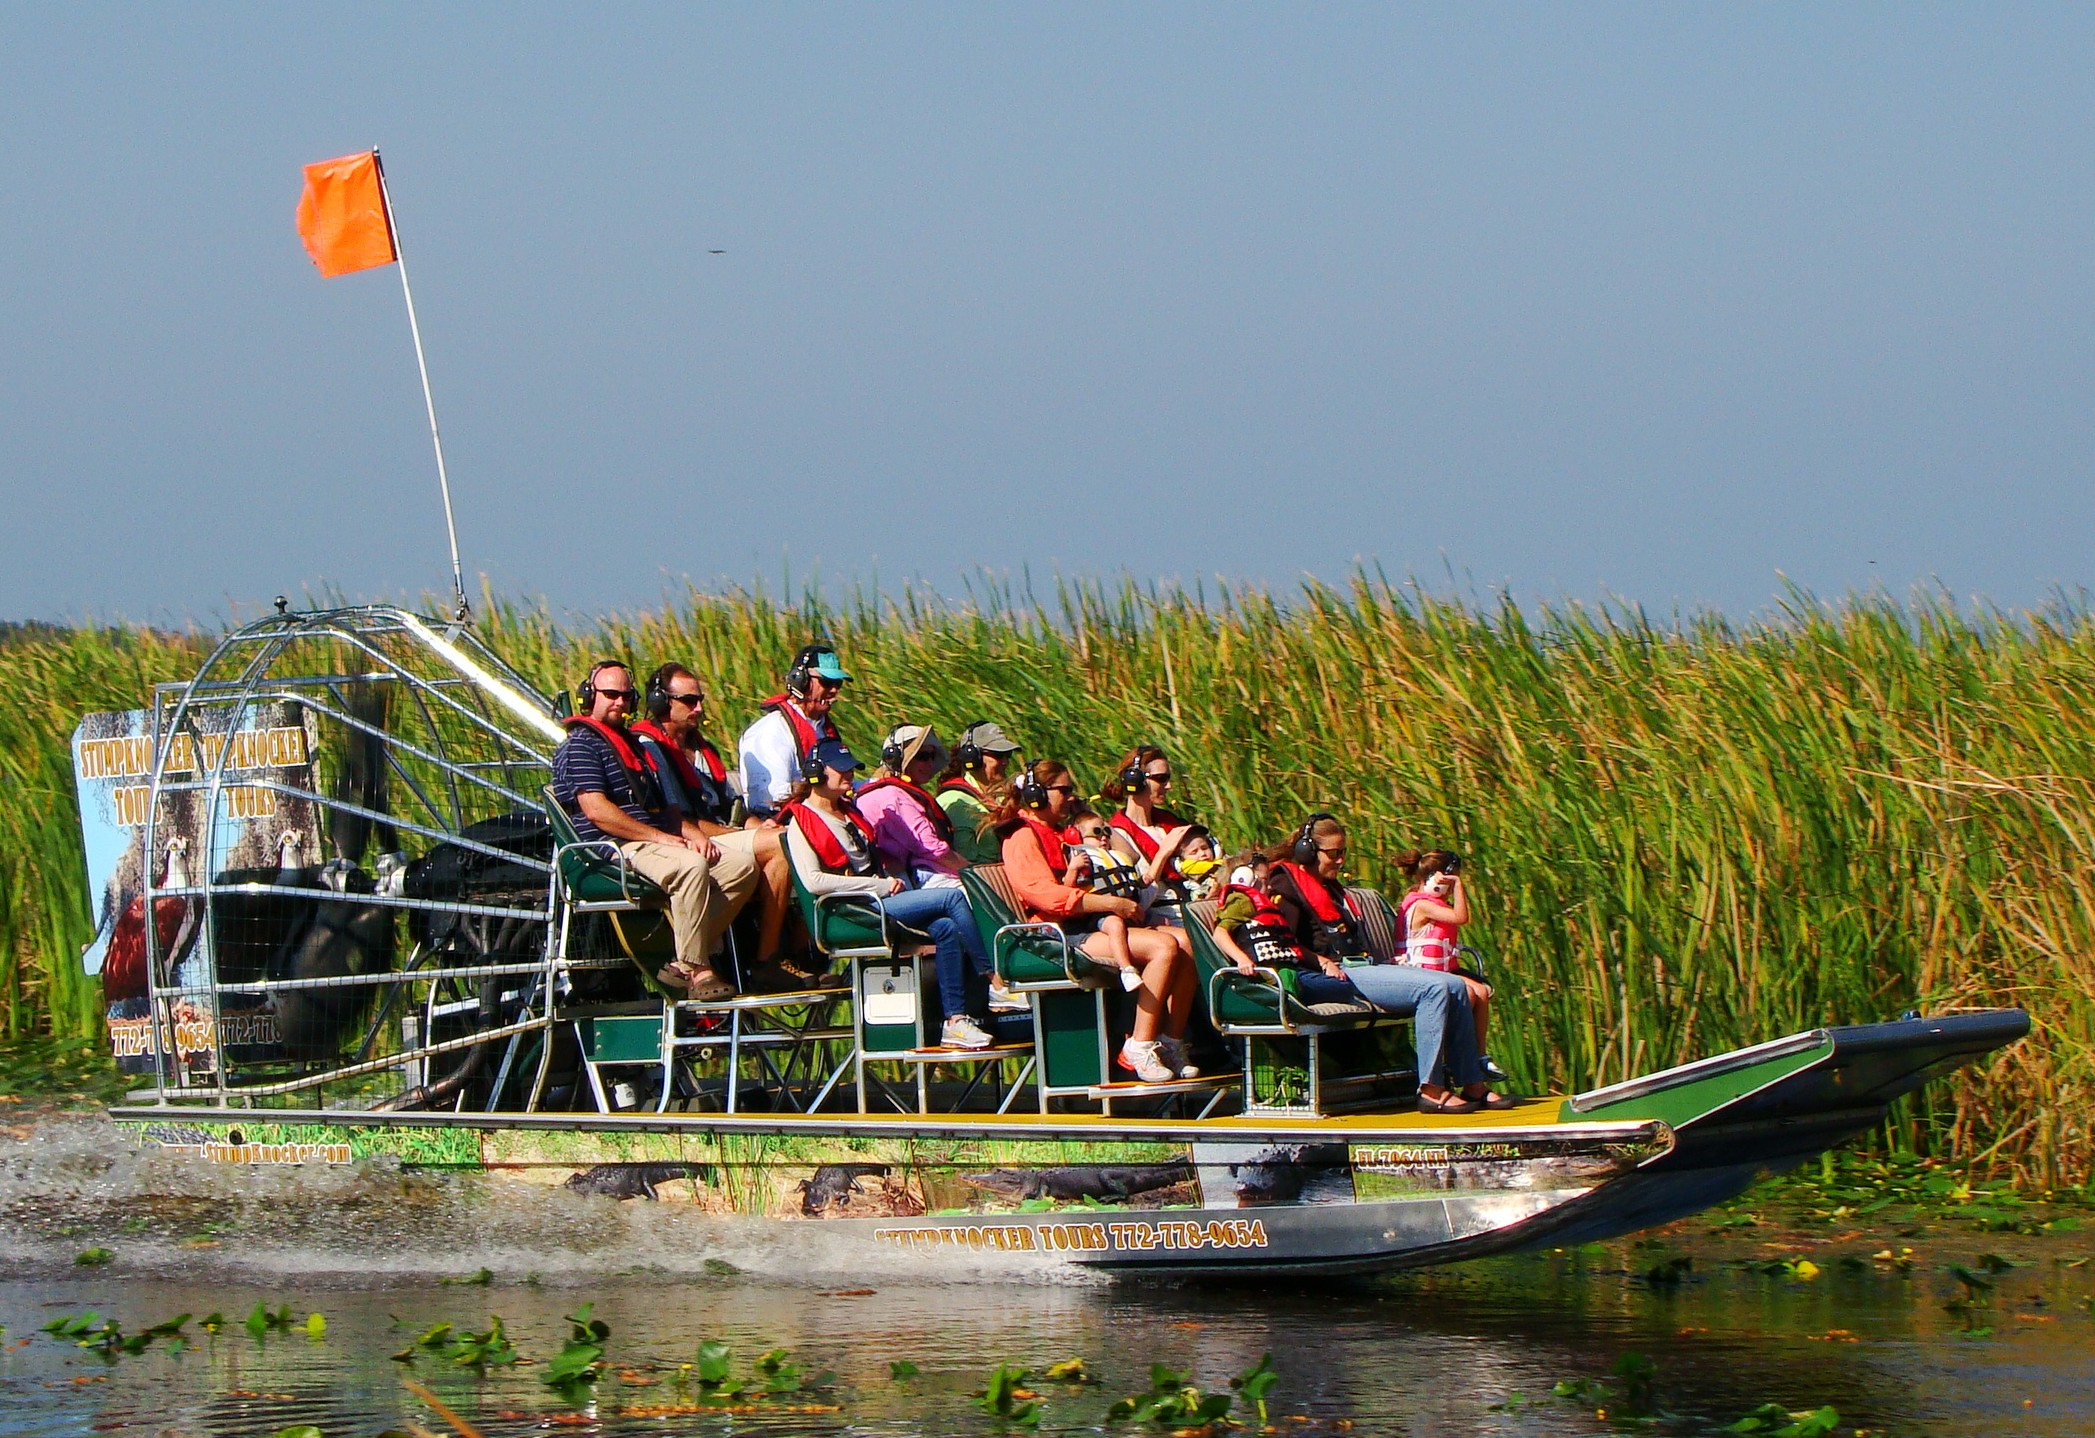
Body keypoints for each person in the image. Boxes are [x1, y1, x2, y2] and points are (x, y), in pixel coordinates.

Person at [1262, 814, 1510, 1113]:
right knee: (1432, 989)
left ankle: (1473, 1084)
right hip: (1325, 975)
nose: (1340, 861)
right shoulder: (1286, 885)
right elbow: (1282, 942)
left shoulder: (1329, 887)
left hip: (1360, 966)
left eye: (1343, 853)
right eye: (1333, 853)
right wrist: (1323, 960)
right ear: (1307, 851)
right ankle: (1431, 1089)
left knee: (1455, 985)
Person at [552, 660, 759, 1003]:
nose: (618, 702)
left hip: (650, 840)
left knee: (741, 866)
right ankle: (697, 968)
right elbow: (598, 812)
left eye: (625, 696)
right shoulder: (581, 746)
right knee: (691, 867)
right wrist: (661, 838)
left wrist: (692, 833)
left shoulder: (634, 747)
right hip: (613, 848)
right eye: (610, 694)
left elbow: (666, 808)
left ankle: (684, 958)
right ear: (589, 697)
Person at [782, 737, 1000, 1050]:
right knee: (952, 898)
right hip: (850, 911)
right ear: (816, 773)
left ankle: (956, 1021)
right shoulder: (802, 821)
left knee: (946, 927)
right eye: (840, 770)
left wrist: (889, 869)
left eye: (851, 769)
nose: (848, 775)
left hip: (878, 901)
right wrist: (878, 885)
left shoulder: (847, 812)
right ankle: (994, 980)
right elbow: (815, 882)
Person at [995, 759, 1198, 1082]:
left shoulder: (1062, 833)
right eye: (1064, 790)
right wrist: (1110, 903)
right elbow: (1044, 895)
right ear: (1037, 795)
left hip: (1090, 921)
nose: (1072, 797)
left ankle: (1170, 1041)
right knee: (1162, 948)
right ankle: (1139, 1044)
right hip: (1059, 933)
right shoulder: (1021, 836)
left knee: (1187, 943)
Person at [631, 664, 794, 972]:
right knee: (781, 847)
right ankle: (767, 961)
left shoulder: (703, 748)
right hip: (690, 834)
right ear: (661, 701)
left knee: (791, 837)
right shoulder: (650, 747)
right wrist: (742, 834)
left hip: (718, 830)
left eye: (700, 699)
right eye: (689, 701)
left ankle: (796, 949)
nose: (699, 708)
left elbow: (733, 808)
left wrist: (761, 827)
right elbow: (681, 819)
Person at [1396, 849, 1503, 1081]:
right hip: (1422, 973)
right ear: (1437, 879)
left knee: (1481, 992)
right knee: (1468, 995)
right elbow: (1461, 917)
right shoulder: (1422, 905)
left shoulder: (1435, 904)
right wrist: (1458, 887)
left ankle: (1479, 1057)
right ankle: (1453, 1063)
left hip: (1442, 971)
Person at [739, 643, 850, 819]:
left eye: (838, 683)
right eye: (827, 682)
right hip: (777, 822)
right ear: (801, 680)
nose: (834, 690)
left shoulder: (823, 727)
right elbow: (772, 800)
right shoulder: (770, 731)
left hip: (820, 815)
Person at [857, 725, 966, 889]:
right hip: (922, 877)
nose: (930, 763)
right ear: (896, 758)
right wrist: (972, 871)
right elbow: (932, 849)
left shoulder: (883, 790)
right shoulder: (893, 796)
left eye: (932, 756)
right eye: (922, 756)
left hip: (918, 875)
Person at [1064, 809, 1147, 992]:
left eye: (1106, 832)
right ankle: (1126, 969)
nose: (1103, 837)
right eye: (1096, 833)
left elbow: (1134, 860)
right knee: (1115, 924)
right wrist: (1072, 870)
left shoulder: (1114, 856)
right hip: (1098, 913)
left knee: (1156, 922)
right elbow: (1067, 893)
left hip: (1127, 909)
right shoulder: (1081, 859)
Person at [1099, 744, 1196, 900]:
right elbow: (1139, 896)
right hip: (1161, 912)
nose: (1169, 786)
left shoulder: (1170, 823)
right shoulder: (1118, 835)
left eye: (1168, 778)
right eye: (1161, 779)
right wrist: (1163, 852)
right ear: (1136, 780)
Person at [936, 720, 1023, 865]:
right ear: (972, 757)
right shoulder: (951, 801)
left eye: (1007, 755)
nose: (1005, 762)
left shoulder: (1006, 796)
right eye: (998, 755)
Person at [1175, 826, 1223, 901]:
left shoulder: (1221, 862)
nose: (1202, 853)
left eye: (1204, 848)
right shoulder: (1189, 869)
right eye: (1194, 852)